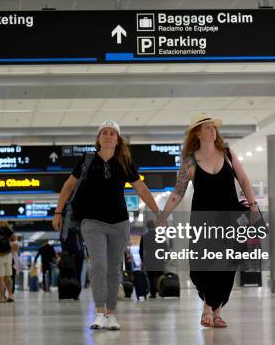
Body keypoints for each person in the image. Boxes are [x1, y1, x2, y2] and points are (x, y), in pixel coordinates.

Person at [53, 120, 160, 331]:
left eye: (113, 133)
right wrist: (58, 211)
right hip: (91, 222)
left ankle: (111, 314)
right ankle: (99, 312)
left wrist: (158, 211)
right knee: (99, 265)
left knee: (113, 269)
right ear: (98, 138)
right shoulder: (87, 159)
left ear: (118, 139)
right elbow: (69, 186)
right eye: (105, 133)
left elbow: (141, 188)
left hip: (119, 223)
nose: (109, 136)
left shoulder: (125, 162)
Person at [159, 113, 259, 328]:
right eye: (207, 128)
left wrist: (253, 206)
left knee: (227, 266)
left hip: (231, 219)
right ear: (198, 133)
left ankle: (214, 310)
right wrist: (163, 214)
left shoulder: (228, 154)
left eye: (214, 128)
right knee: (202, 268)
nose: (212, 131)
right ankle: (209, 303)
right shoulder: (190, 162)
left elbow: (243, 180)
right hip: (204, 222)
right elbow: (178, 193)